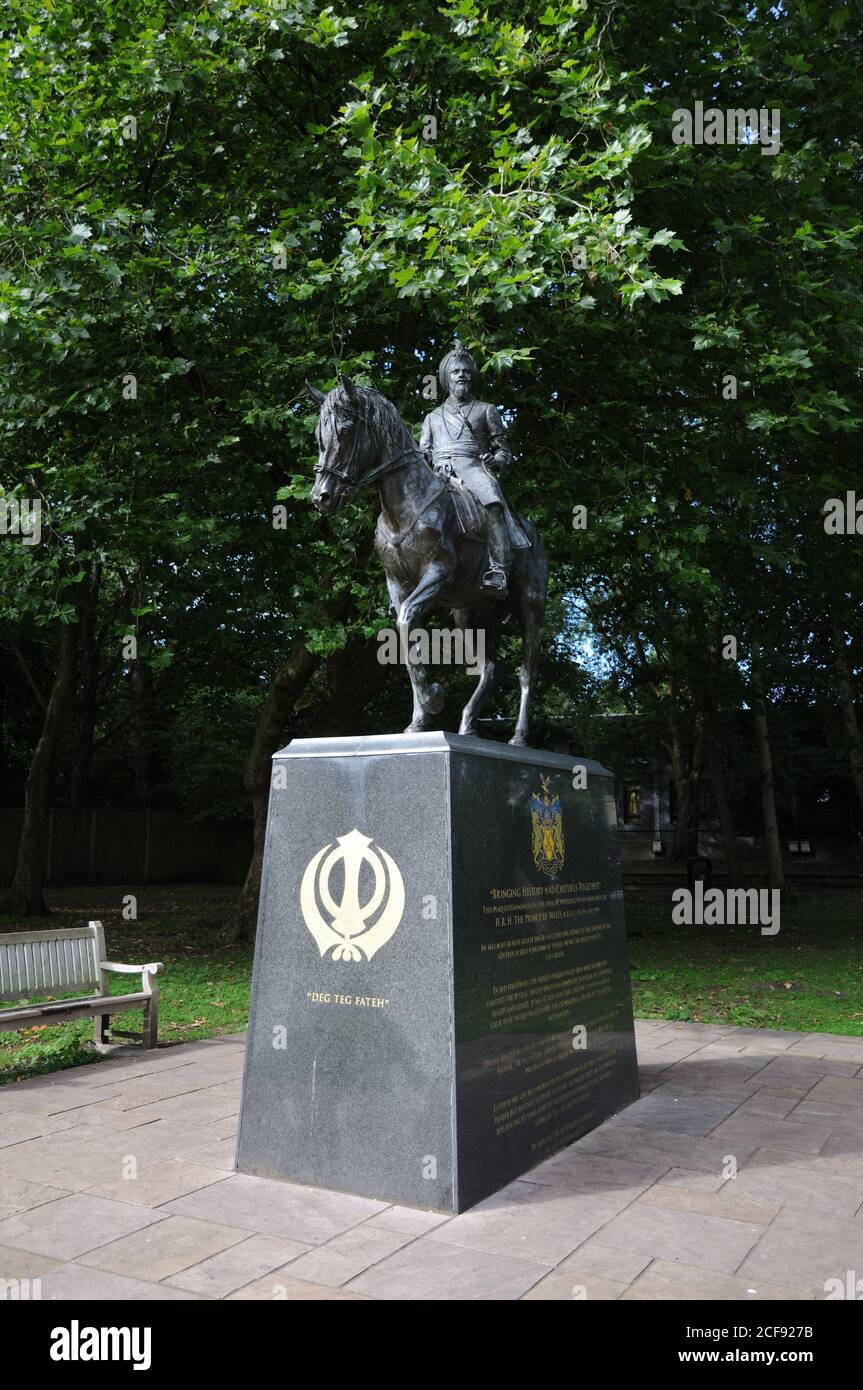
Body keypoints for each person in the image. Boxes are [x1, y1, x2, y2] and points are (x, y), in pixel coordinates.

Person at [419, 340, 528, 596]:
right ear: (447, 377)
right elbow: (424, 451)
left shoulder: (485, 410)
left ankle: (499, 569)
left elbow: (504, 450)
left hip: (473, 469)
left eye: (466, 371)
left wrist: (496, 460)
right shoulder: (432, 417)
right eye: (457, 372)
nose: (462, 376)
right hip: (438, 474)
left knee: (493, 505)